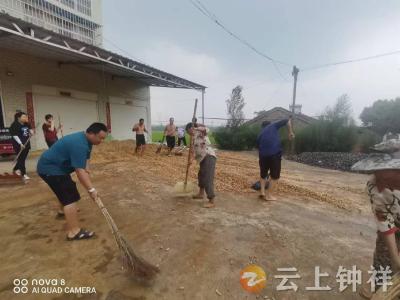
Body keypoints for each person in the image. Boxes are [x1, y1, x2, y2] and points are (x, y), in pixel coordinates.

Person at [37, 123, 108, 241]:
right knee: (70, 197)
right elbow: (79, 171)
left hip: (55, 167)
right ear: (91, 133)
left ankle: (61, 211)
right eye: (100, 138)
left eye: (103, 138)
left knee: (66, 188)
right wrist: (91, 190)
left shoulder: (86, 140)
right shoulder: (79, 144)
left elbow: (86, 158)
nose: (101, 141)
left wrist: (87, 168)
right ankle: (74, 232)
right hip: (51, 169)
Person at [352, 135, 400, 298]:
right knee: (385, 259)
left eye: (387, 175)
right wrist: (395, 260)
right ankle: (380, 288)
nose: (381, 180)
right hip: (395, 224)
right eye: (378, 173)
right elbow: (384, 221)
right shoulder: (374, 185)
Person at [256, 117, 295, 201]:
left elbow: (258, 147)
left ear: (262, 127)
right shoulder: (273, 125)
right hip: (274, 154)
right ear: (270, 124)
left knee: (263, 174)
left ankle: (262, 192)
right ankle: (269, 196)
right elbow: (287, 120)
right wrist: (290, 132)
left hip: (262, 156)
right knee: (275, 176)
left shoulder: (260, 134)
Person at [187, 121, 217, 208]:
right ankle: (201, 193)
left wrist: (196, 127)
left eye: (189, 131)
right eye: (188, 133)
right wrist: (190, 161)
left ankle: (211, 200)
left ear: (191, 129)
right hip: (202, 159)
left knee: (208, 177)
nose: (189, 133)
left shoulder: (200, 133)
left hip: (209, 156)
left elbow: (207, 129)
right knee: (201, 176)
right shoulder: (193, 139)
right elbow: (193, 152)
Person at [10, 111, 34, 180]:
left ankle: (15, 169)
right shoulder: (14, 125)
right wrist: (20, 144)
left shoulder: (26, 123)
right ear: (18, 118)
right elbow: (15, 136)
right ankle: (23, 174)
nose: (25, 118)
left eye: (26, 116)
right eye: (24, 117)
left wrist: (31, 132)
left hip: (26, 143)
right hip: (18, 145)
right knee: (21, 159)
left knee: (22, 159)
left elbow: (30, 130)